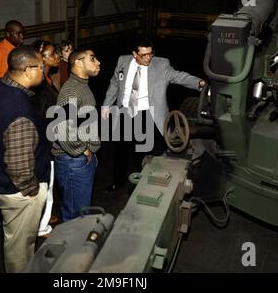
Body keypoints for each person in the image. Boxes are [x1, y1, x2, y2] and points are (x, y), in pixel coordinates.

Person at [0, 45, 50, 272]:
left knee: (14, 238)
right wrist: (31, 192)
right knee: (20, 246)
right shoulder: (18, 109)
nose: (44, 70)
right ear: (29, 71)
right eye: (42, 66)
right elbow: (19, 166)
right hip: (16, 190)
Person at [101, 36, 207, 190]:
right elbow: (114, 84)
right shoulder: (122, 61)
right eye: (144, 55)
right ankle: (117, 182)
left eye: (151, 53)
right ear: (134, 54)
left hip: (145, 115)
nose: (148, 58)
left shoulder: (161, 65)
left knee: (142, 152)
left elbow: (179, 76)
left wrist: (199, 83)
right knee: (120, 150)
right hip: (124, 112)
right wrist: (106, 105)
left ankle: (139, 185)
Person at [51, 49, 101, 222]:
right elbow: (63, 129)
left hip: (80, 158)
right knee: (75, 215)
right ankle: (71, 248)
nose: (98, 62)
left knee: (81, 211)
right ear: (78, 62)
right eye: (92, 58)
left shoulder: (82, 85)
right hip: (74, 161)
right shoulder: (72, 91)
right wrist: (83, 150)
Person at [31, 40, 61, 236]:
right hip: (44, 144)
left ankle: (43, 217)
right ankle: (42, 227)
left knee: (46, 185)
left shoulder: (47, 80)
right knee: (46, 185)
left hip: (46, 141)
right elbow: (42, 118)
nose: (56, 57)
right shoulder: (41, 88)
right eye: (52, 54)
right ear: (41, 58)